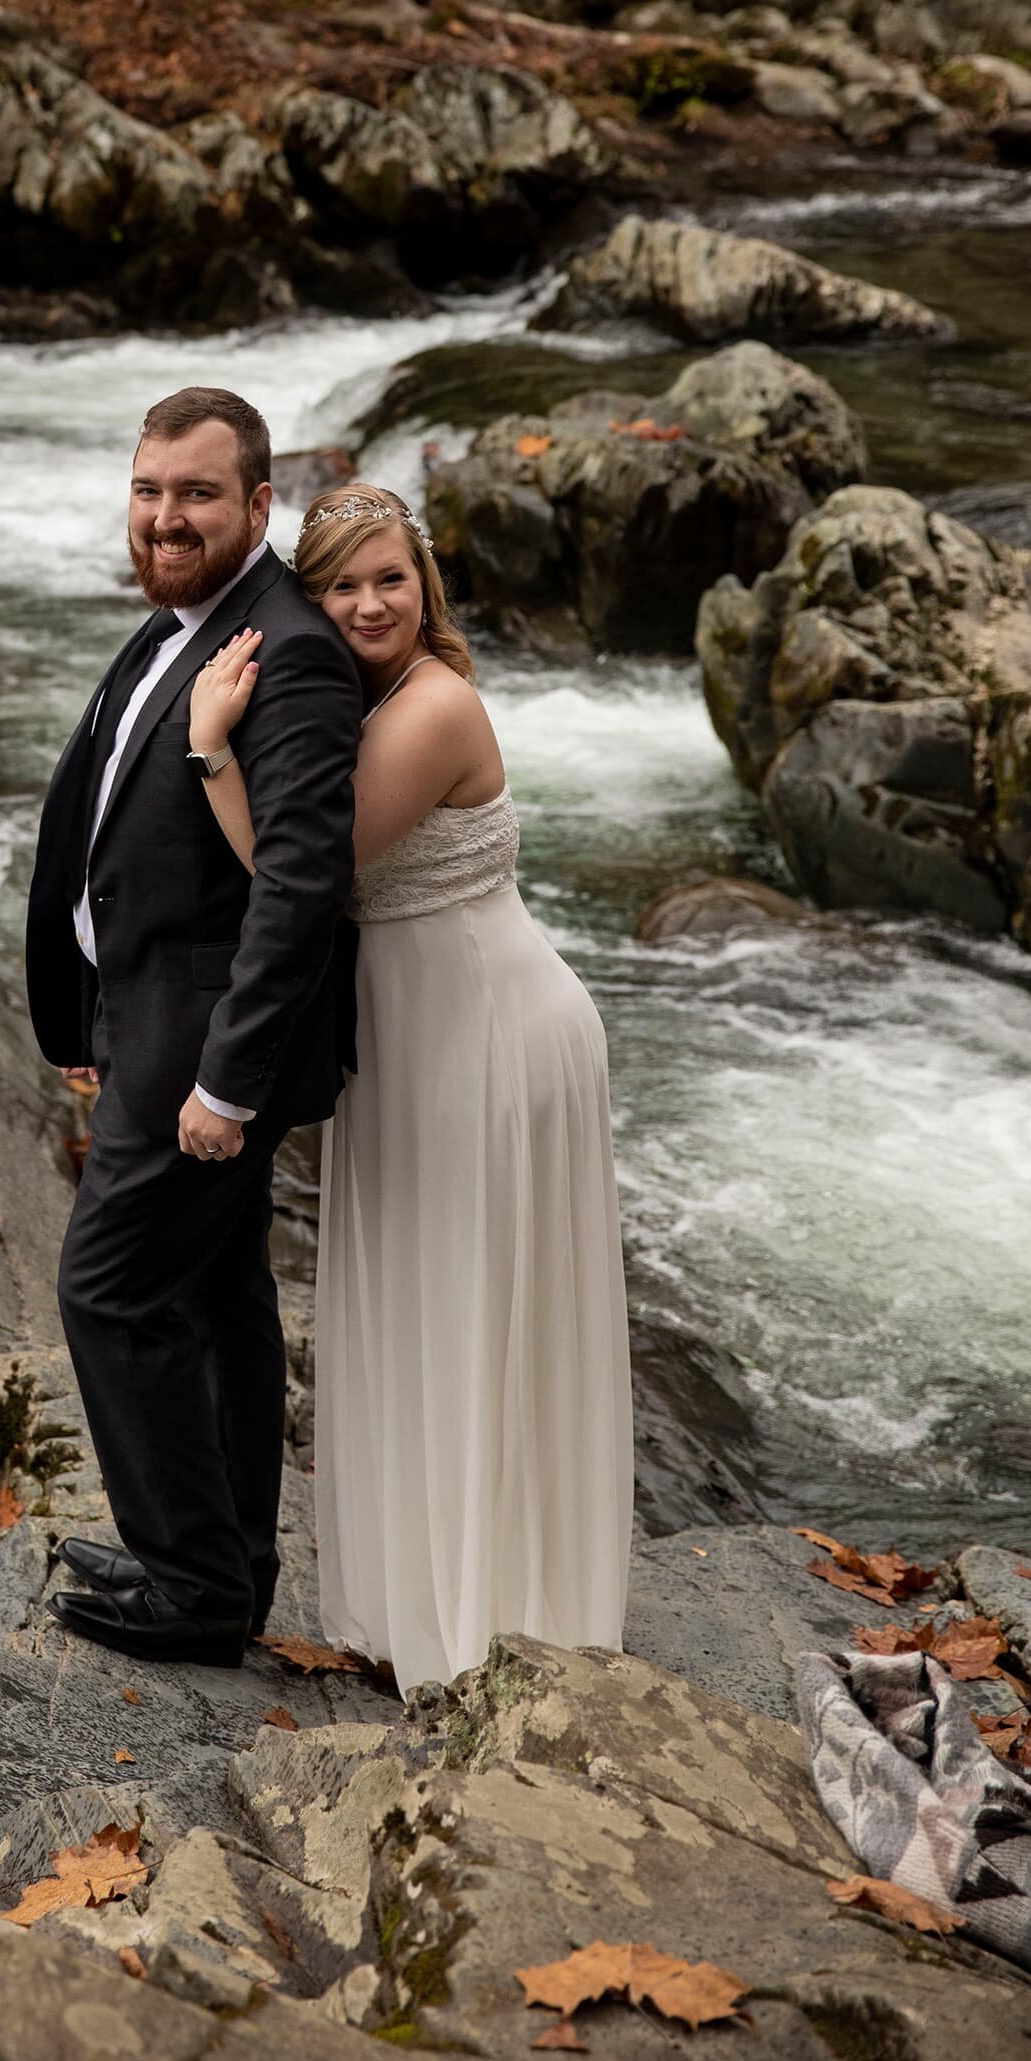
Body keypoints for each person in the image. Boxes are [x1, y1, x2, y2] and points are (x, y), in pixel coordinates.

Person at [185, 483, 631, 1692]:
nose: (371, 601)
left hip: (491, 1032)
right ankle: (423, 1603)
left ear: (424, 584)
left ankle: (493, 1617)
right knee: (424, 1301)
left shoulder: (433, 707)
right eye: (343, 584)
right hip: (416, 1038)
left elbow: (299, 868)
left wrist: (210, 745)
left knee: (474, 1309)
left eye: (392, 577)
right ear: (311, 598)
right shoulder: (362, 697)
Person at [24, 386, 363, 1666]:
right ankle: (224, 1566)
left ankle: (191, 1583)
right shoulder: (181, 623)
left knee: (108, 1291)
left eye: (198, 494)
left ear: (260, 505)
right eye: (149, 490)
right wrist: (87, 1007)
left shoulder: (291, 650)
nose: (167, 516)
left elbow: (301, 887)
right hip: (150, 1022)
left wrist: (227, 1083)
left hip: (210, 1048)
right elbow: (111, 832)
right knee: (215, 1298)